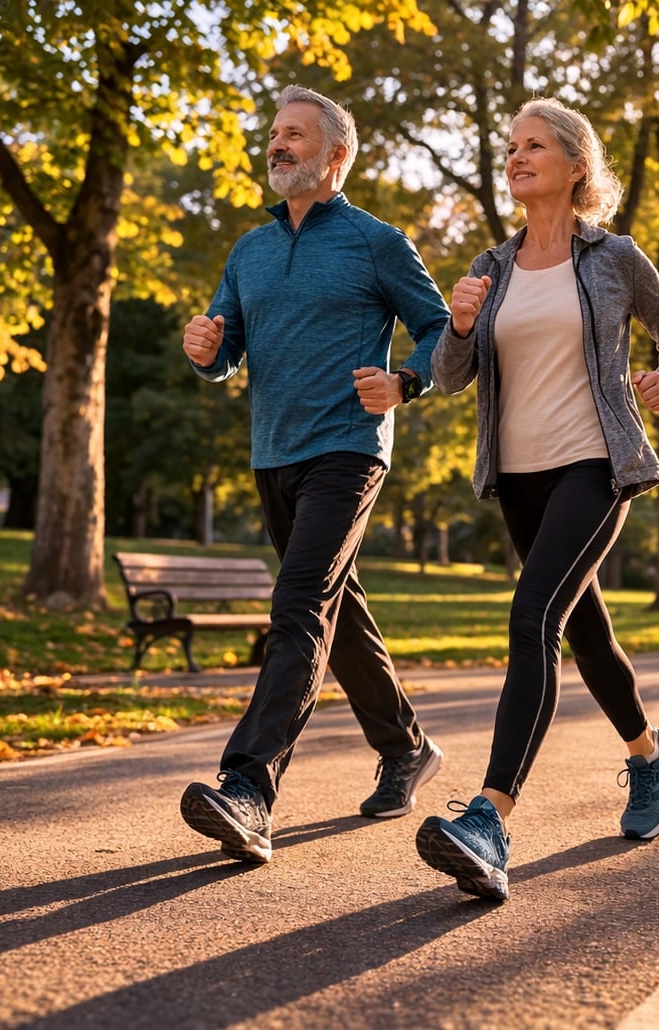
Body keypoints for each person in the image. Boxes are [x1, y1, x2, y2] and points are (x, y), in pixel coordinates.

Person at [415, 97, 659, 903]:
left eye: (534, 145)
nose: (516, 157)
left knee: (531, 615)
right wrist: (461, 325)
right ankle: (651, 757)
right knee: (586, 631)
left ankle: (488, 818)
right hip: (518, 473)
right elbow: (449, 376)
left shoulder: (615, 257)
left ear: (577, 166)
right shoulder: (491, 264)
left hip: (595, 464)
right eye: (511, 146)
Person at [177, 84, 452, 864]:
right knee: (336, 606)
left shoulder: (377, 242)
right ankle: (406, 748)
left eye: (294, 135)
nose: (278, 145)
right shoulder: (249, 249)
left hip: (348, 446)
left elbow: (439, 329)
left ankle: (248, 790)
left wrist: (406, 381)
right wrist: (206, 352)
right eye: (274, 134)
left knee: (298, 601)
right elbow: (226, 348)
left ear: (335, 154)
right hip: (274, 450)